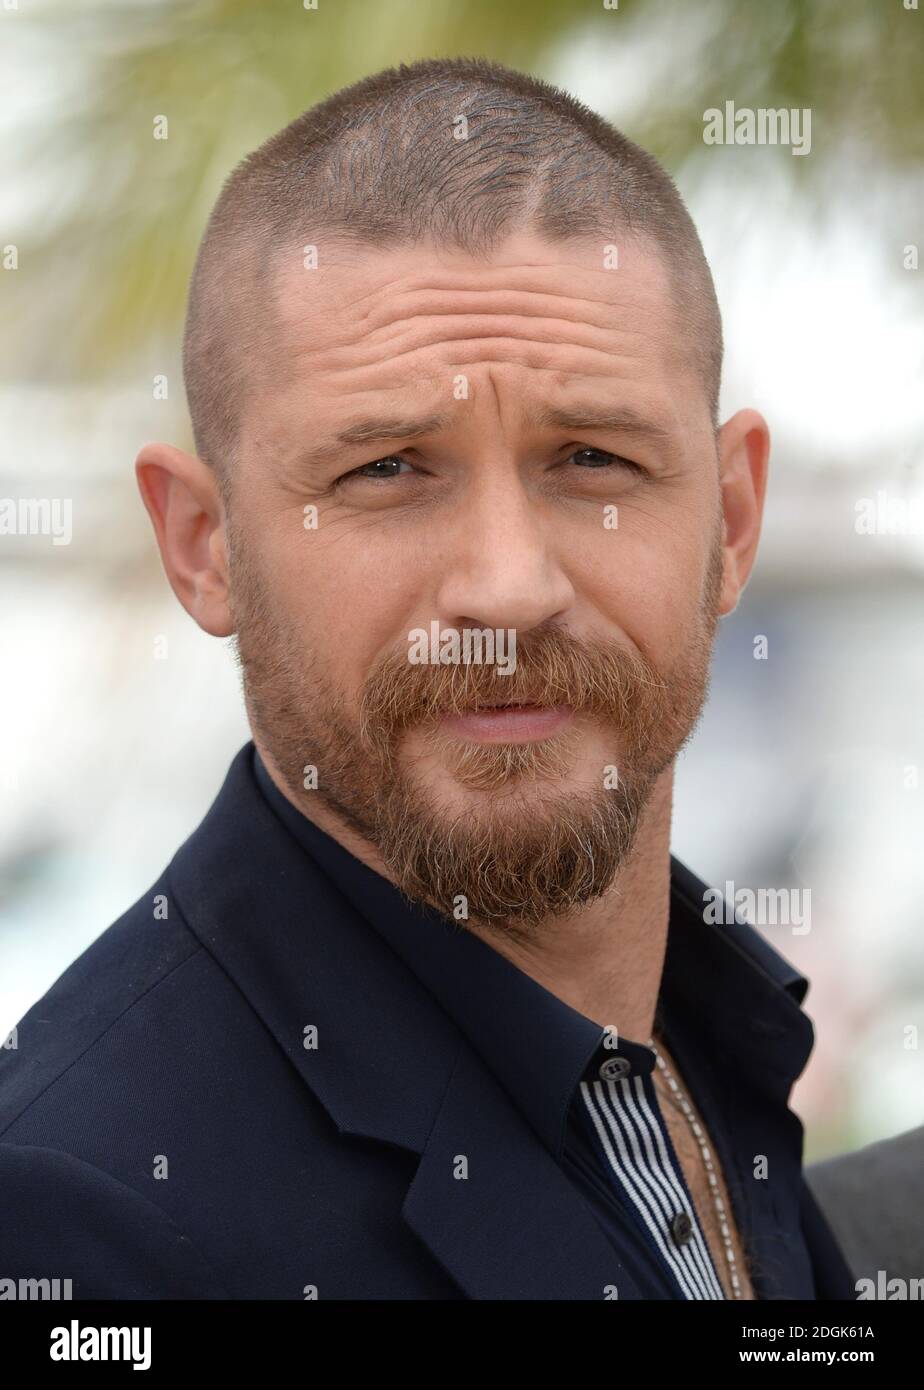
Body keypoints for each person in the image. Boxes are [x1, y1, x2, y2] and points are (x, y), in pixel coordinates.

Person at [0, 57, 856, 1300]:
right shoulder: (88, 1220)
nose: (508, 588)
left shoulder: (709, 1038)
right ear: (204, 546)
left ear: (731, 520)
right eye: (389, 470)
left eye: (594, 457)